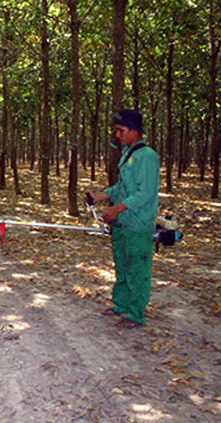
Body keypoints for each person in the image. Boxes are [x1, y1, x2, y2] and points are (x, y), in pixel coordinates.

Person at [86, 109, 159, 328]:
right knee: (122, 267)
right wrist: (101, 196)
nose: (117, 135)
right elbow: (123, 187)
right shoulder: (129, 154)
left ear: (135, 132)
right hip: (122, 224)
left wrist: (117, 209)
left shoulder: (146, 157)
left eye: (121, 130)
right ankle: (121, 304)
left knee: (137, 269)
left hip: (137, 224)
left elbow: (145, 192)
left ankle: (136, 313)